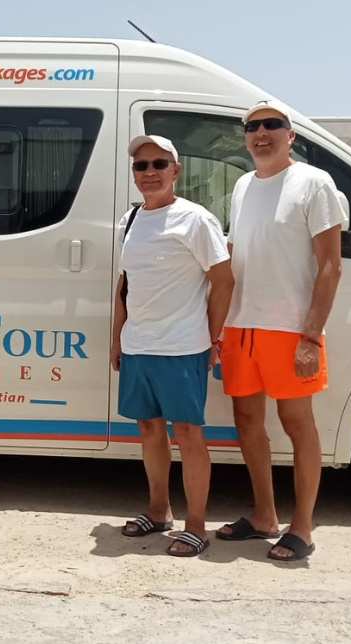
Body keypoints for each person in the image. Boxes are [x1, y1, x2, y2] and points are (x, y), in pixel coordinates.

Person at [216, 100, 348, 561]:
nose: (261, 133)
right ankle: (264, 516)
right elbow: (234, 253)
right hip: (241, 325)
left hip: (290, 330)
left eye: (272, 124)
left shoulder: (314, 182)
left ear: (290, 135)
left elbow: (331, 266)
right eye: (252, 126)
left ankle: (303, 528)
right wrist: (217, 324)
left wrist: (310, 336)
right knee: (247, 421)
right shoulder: (242, 185)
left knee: (297, 424)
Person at [112, 134, 234, 557]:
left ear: (176, 170)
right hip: (138, 345)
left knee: (187, 433)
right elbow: (125, 285)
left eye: (158, 164)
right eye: (141, 165)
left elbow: (223, 281)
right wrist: (117, 338)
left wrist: (213, 339)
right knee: (149, 428)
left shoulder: (196, 220)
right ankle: (158, 510)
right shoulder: (131, 220)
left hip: (182, 347)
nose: (149, 172)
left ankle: (196, 526)